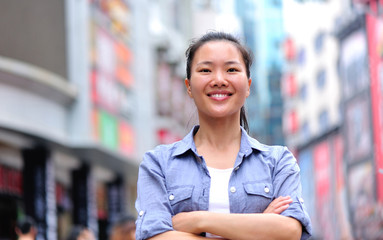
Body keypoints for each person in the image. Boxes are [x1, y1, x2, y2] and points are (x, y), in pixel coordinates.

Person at [135, 31, 312, 240]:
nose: (219, 80)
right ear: (189, 87)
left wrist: (198, 220)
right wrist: (260, 228)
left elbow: (290, 232)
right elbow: (154, 237)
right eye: (205, 70)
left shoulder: (278, 162)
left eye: (231, 69)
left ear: (248, 86)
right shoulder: (159, 164)